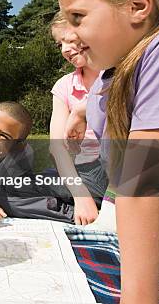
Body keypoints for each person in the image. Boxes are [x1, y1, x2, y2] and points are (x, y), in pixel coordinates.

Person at [56, 0, 159, 302]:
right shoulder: (111, 78)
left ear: (137, 6)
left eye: (78, 17)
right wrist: (80, 109)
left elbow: (142, 186)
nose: (71, 35)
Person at [49, 13, 107, 225]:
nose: (65, 49)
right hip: (80, 173)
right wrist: (79, 193)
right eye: (60, 44)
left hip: (113, 168)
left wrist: (83, 109)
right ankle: (82, 205)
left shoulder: (121, 72)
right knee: (16, 184)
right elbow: (57, 148)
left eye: (70, 40)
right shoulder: (64, 86)